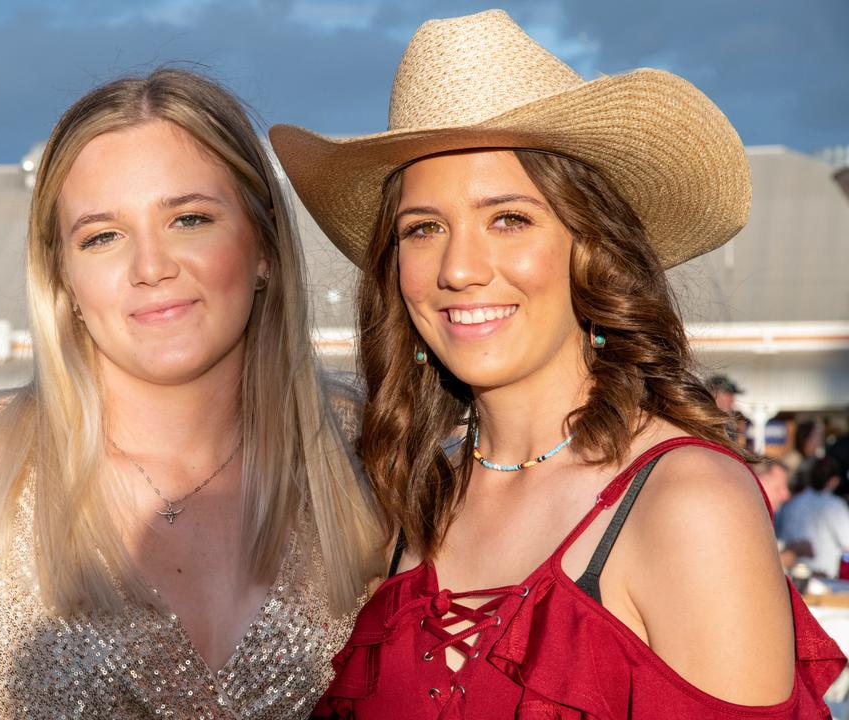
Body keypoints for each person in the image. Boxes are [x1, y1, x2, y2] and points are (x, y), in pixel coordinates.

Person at [271, 10, 844, 718]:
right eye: (423, 229)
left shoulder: (687, 505)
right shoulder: (404, 501)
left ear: (591, 247)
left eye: (508, 219)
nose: (458, 269)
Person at [0, 68, 386, 718]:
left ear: (264, 249)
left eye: (190, 218)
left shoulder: (367, 462)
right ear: (63, 282)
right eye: (102, 236)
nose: (151, 267)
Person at [779, 457, 849, 579]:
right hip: (824, 578)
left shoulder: (792, 503)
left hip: (792, 575)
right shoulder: (835, 506)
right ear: (834, 481)